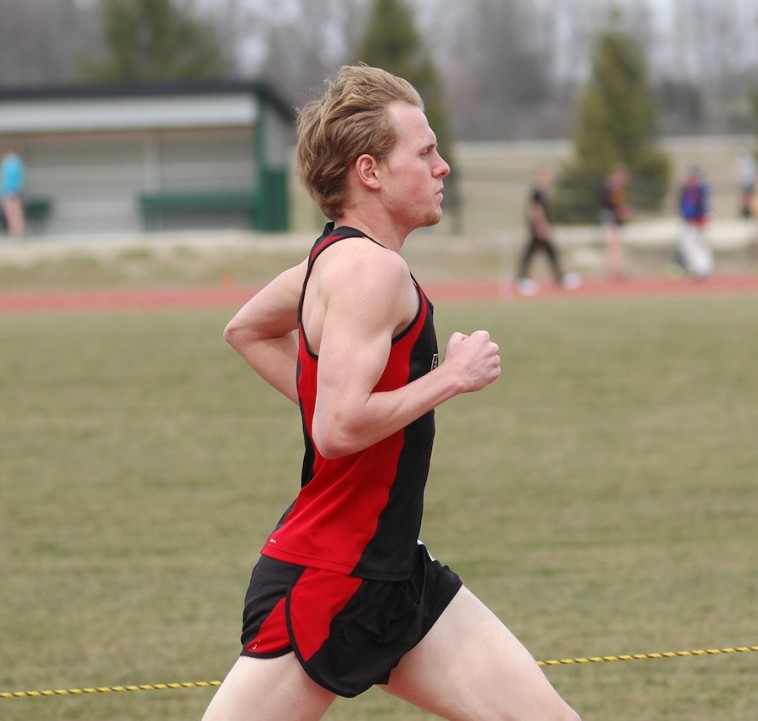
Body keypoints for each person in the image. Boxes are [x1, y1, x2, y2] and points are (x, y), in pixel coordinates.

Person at [202, 65, 580, 721]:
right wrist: (449, 377)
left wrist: (345, 404)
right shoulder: (371, 271)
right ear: (370, 170)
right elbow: (338, 428)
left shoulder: (332, 258)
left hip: (395, 574)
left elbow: (250, 330)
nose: (444, 167)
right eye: (426, 152)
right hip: (330, 578)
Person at [515, 167, 581, 295]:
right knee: (541, 252)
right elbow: (535, 209)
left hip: (538, 227)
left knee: (544, 252)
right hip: (538, 228)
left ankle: (557, 277)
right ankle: (524, 279)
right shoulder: (537, 191)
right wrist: (541, 226)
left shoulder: (542, 190)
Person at [669, 167, 712, 279]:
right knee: (687, 246)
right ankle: (696, 268)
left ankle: (702, 269)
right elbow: (683, 206)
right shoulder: (685, 190)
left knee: (700, 246)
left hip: (699, 221)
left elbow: (703, 208)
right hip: (688, 222)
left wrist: (703, 221)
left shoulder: (701, 189)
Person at [600, 163, 630, 279]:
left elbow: (621, 204)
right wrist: (619, 211)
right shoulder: (609, 188)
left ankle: (619, 269)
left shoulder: (620, 189)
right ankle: (613, 270)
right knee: (612, 246)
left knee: (619, 246)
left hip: (618, 221)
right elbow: (608, 204)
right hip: (611, 220)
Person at [1, 145, 26, 238]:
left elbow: (9, 180)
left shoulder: (9, 163)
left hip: (11, 192)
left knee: (12, 214)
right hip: (14, 192)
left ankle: (15, 234)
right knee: (15, 214)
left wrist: (11, 192)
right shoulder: (16, 162)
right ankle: (16, 234)